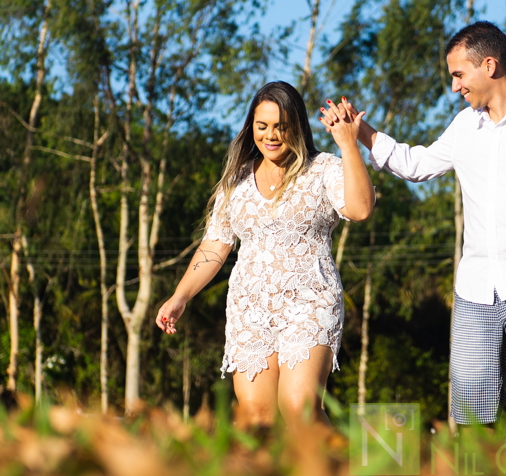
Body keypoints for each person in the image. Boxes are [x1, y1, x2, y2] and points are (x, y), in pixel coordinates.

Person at [325, 21, 506, 437]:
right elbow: (414, 164)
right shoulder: (464, 127)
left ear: (489, 65)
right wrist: (359, 129)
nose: (455, 87)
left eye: (459, 75)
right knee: (472, 410)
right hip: (474, 289)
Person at [155, 81, 373, 429]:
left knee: (299, 407)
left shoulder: (324, 169)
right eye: (262, 126)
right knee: (258, 417)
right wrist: (180, 296)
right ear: (251, 127)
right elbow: (215, 245)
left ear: (297, 126)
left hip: (310, 301)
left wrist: (348, 145)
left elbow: (361, 208)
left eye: (281, 126)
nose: (271, 135)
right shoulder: (237, 181)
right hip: (250, 308)